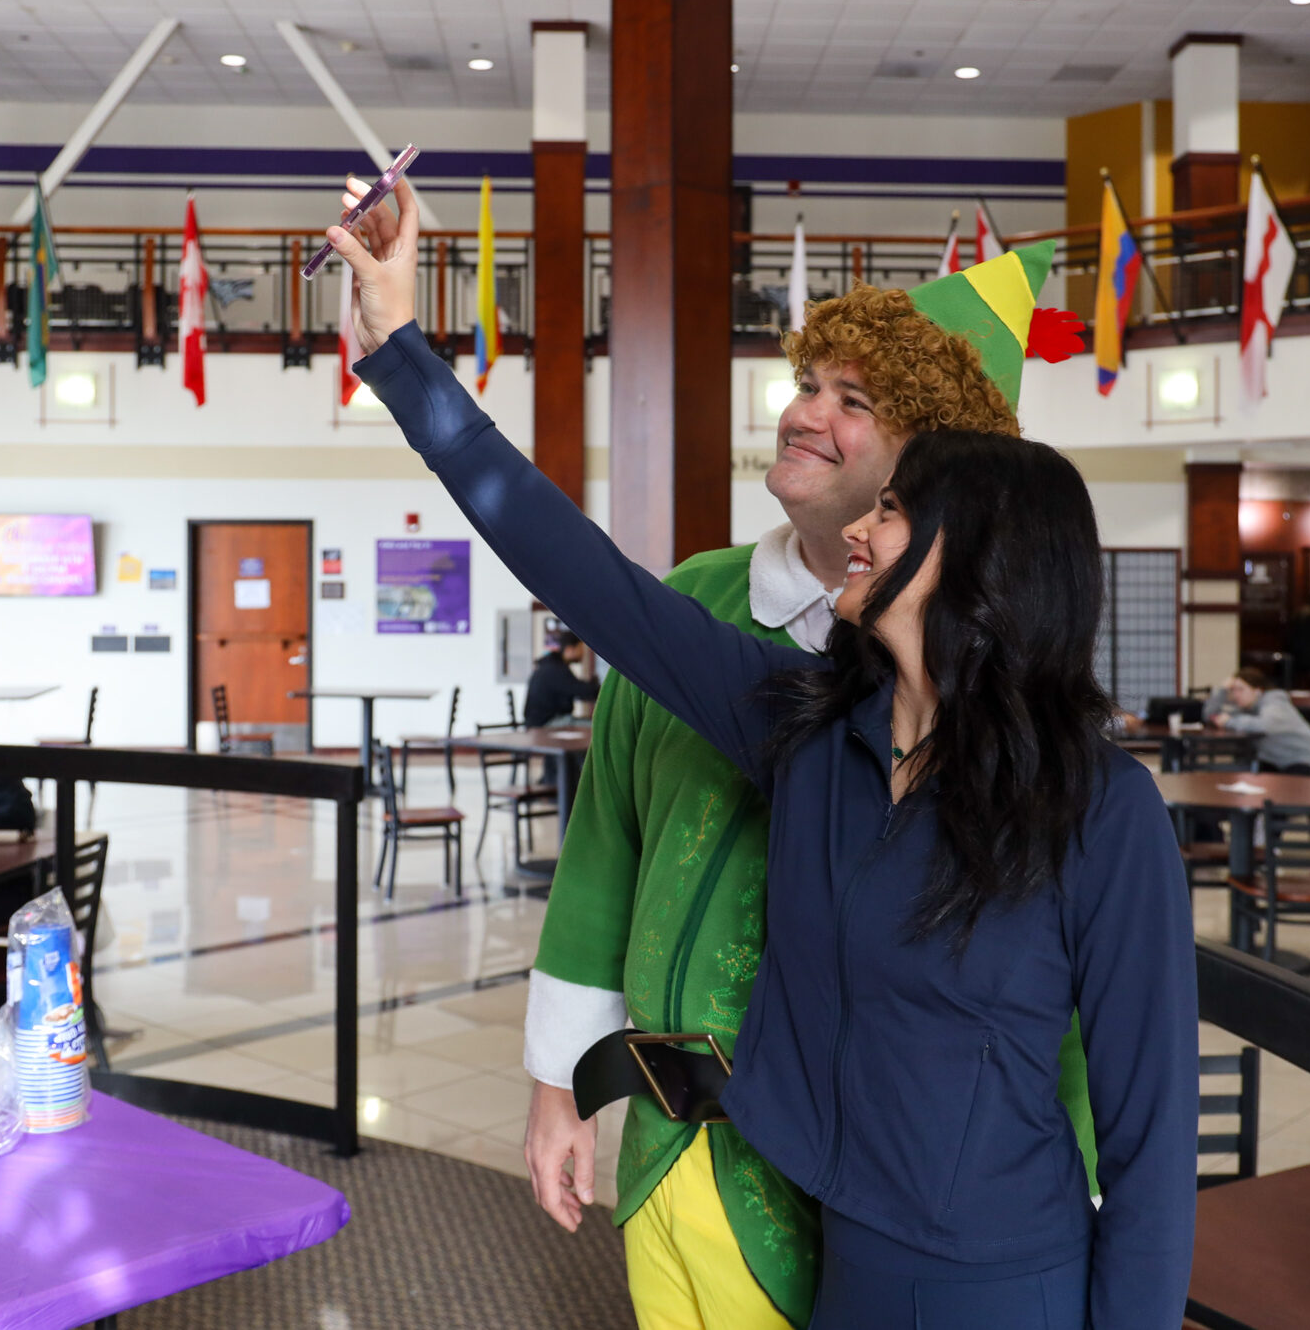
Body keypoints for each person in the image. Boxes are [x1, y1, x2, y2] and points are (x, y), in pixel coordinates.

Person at [330, 184, 1195, 1328]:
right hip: (851, 1267)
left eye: (892, 512)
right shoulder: (805, 737)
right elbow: (572, 562)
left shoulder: (1097, 808)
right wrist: (399, 353)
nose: (861, 530)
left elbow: (1148, 1134)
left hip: (1009, 1282)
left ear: (974, 561)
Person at [521, 270, 1097, 1318]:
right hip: (660, 1148)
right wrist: (559, 1082)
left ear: (933, 472)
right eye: (807, 383)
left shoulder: (964, 708)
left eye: (852, 400)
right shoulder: (696, 599)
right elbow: (604, 847)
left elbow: (1040, 996)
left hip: (837, 1190)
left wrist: (1076, 1201)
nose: (802, 413)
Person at [1204, 668, 1310, 777]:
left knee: (1269, 789)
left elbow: (1265, 725)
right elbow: (1210, 715)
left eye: (1241, 689)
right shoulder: (1246, 708)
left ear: (1257, 690)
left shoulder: (1274, 701)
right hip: (1277, 762)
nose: (1236, 694)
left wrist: (1230, 721)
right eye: (1233, 690)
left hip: (1309, 762)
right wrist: (1221, 690)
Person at [522, 631, 599, 729]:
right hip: (545, 724)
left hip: (539, 722)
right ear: (569, 649)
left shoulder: (551, 665)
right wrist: (599, 689)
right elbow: (581, 691)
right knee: (597, 727)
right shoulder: (555, 669)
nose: (583, 653)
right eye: (581, 648)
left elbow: (576, 689)